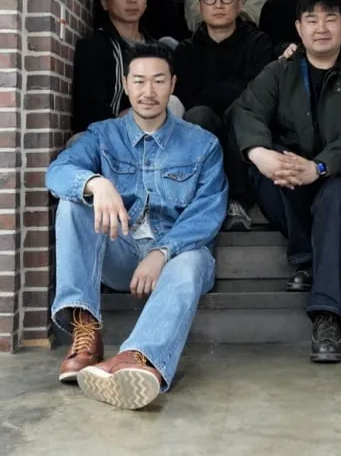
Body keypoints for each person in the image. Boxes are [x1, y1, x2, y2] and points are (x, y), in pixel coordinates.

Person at [48, 42, 227, 410]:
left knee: (192, 260)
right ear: (126, 85)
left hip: (177, 259)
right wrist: (96, 183)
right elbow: (57, 173)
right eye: (140, 81)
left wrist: (162, 252)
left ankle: (139, 359)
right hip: (122, 251)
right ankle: (86, 328)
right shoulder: (102, 135)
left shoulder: (202, 144)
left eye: (158, 81)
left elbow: (208, 212)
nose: (149, 91)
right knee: (72, 203)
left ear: (172, 85)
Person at [231, 0, 341, 363]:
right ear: (298, 28)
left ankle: (327, 317)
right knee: (276, 165)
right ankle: (306, 257)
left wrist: (318, 168)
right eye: (312, 20)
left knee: (339, 195)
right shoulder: (281, 70)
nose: (321, 28)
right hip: (291, 184)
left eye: (330, 18)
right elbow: (246, 110)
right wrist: (260, 154)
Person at [173, 0, 274, 231]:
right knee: (198, 116)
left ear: (239, 3)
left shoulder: (259, 42)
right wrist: (230, 90)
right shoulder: (186, 50)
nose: (218, 4)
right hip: (204, 119)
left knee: (240, 114)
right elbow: (185, 95)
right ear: (200, 5)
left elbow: (258, 91)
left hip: (244, 119)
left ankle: (236, 201)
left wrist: (211, 92)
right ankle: (201, 199)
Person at [73, 0, 149, 133]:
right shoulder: (94, 47)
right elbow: (90, 108)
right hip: (107, 135)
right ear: (105, 3)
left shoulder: (158, 50)